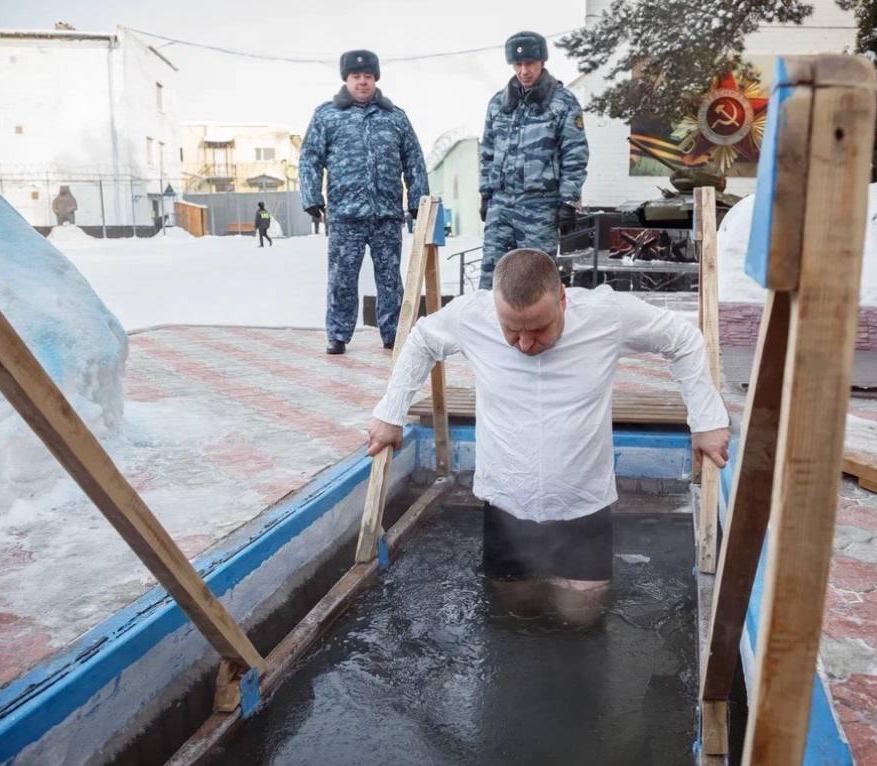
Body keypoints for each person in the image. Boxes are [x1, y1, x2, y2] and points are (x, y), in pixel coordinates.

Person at [367, 249, 730, 628]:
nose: (525, 344)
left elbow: (684, 339)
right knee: (513, 611)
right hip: (507, 500)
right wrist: (390, 413)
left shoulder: (607, 315)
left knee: (582, 616)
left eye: (539, 329)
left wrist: (705, 419)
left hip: (582, 501)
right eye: (512, 330)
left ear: (563, 299)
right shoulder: (470, 315)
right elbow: (422, 340)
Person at [300, 49, 429, 355]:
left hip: (386, 215)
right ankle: (338, 334)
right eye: (356, 76)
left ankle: (392, 332)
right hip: (346, 215)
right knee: (342, 279)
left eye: (368, 76)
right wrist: (311, 196)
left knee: (390, 280)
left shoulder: (395, 117)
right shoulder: (327, 115)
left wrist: (417, 201)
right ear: (346, 79)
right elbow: (309, 158)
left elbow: (414, 160)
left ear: (375, 79)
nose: (362, 82)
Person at [478, 32, 589, 290]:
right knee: (491, 278)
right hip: (501, 205)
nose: (524, 71)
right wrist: (485, 193)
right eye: (518, 65)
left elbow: (575, 153)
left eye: (530, 63)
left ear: (542, 62)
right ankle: (488, 329)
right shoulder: (498, 104)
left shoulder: (563, 103)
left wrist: (568, 201)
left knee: (537, 281)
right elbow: (488, 151)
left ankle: (541, 330)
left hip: (540, 206)